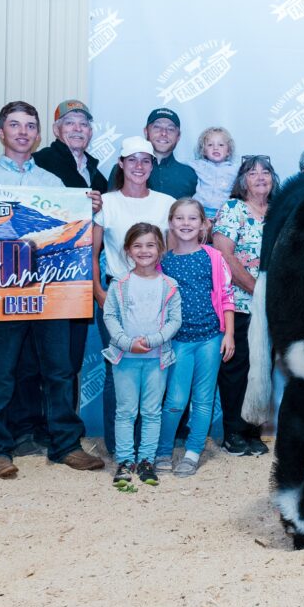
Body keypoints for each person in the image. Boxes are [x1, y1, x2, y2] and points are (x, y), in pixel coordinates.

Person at [0, 101, 104, 477]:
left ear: (38, 134)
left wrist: (87, 207)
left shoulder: (53, 184)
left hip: (50, 291)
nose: (23, 132)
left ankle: (65, 444)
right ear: (1, 133)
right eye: (14, 125)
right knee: (0, 372)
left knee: (59, 370)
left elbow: (71, 235)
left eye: (30, 125)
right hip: (1, 293)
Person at [15, 99, 107, 455]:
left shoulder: (97, 172)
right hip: (41, 273)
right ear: (56, 131)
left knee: (66, 359)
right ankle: (29, 426)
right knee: (32, 358)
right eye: (69, 123)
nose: (77, 128)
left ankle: (59, 431)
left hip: (77, 273)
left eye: (83, 123)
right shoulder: (43, 164)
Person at [93, 137, 177, 461]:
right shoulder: (107, 203)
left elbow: (172, 251)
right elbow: (92, 251)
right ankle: (119, 448)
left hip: (156, 293)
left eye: (145, 160)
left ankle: (147, 448)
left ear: (152, 166)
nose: (139, 166)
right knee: (119, 370)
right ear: (121, 164)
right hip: (117, 292)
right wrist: (98, 291)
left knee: (154, 369)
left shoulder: (166, 202)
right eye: (132, 160)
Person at [153, 199, 236, 477]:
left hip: (211, 338)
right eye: (180, 218)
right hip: (178, 341)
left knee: (203, 400)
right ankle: (163, 449)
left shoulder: (213, 257)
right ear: (171, 223)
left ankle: (192, 451)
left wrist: (229, 334)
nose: (186, 224)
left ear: (203, 224)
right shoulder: (163, 262)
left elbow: (226, 296)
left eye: (192, 218)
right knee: (175, 400)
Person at [101, 223, 181, 490]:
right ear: (127, 250)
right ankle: (125, 461)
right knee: (125, 412)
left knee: (151, 412)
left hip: (157, 359)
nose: (144, 251)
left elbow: (174, 320)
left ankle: (146, 459)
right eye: (137, 245)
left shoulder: (169, 285)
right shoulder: (119, 284)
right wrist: (126, 343)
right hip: (124, 359)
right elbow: (110, 316)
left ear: (160, 249)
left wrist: (154, 340)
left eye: (150, 245)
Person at [212, 154, 274, 456]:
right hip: (238, 302)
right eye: (252, 172)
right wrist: (255, 289)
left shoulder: (278, 212)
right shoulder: (233, 209)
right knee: (237, 368)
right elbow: (224, 256)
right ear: (242, 180)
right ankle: (233, 432)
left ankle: (253, 430)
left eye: (266, 172)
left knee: (263, 367)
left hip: (272, 305)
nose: (260, 176)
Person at [108, 108, 198, 198]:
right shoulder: (125, 170)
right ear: (146, 131)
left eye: (170, 129)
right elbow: (111, 205)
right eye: (157, 127)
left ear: (178, 136)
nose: (163, 133)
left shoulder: (190, 174)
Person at [192, 127, 238, 218]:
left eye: (221, 145)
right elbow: (180, 165)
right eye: (210, 145)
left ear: (228, 151)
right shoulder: (199, 165)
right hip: (199, 210)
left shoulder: (235, 170)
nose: (216, 148)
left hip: (223, 213)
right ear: (204, 151)